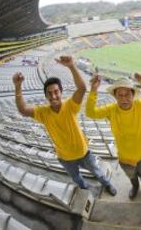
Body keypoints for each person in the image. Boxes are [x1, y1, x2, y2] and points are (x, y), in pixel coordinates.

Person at [12, 56, 116, 196]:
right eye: (49, 93)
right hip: (65, 158)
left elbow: (82, 88)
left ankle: (107, 184)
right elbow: (23, 109)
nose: (53, 96)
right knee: (76, 178)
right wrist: (18, 87)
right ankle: (86, 191)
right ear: (46, 96)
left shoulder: (69, 106)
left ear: (61, 92)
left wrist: (72, 66)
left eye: (56, 92)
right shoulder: (43, 112)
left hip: (83, 153)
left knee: (97, 171)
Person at [86, 73, 141, 200]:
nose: (124, 99)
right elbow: (90, 113)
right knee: (132, 177)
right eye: (120, 95)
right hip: (124, 156)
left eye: (127, 94)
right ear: (115, 96)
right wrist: (93, 90)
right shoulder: (111, 110)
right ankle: (135, 187)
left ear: (133, 95)